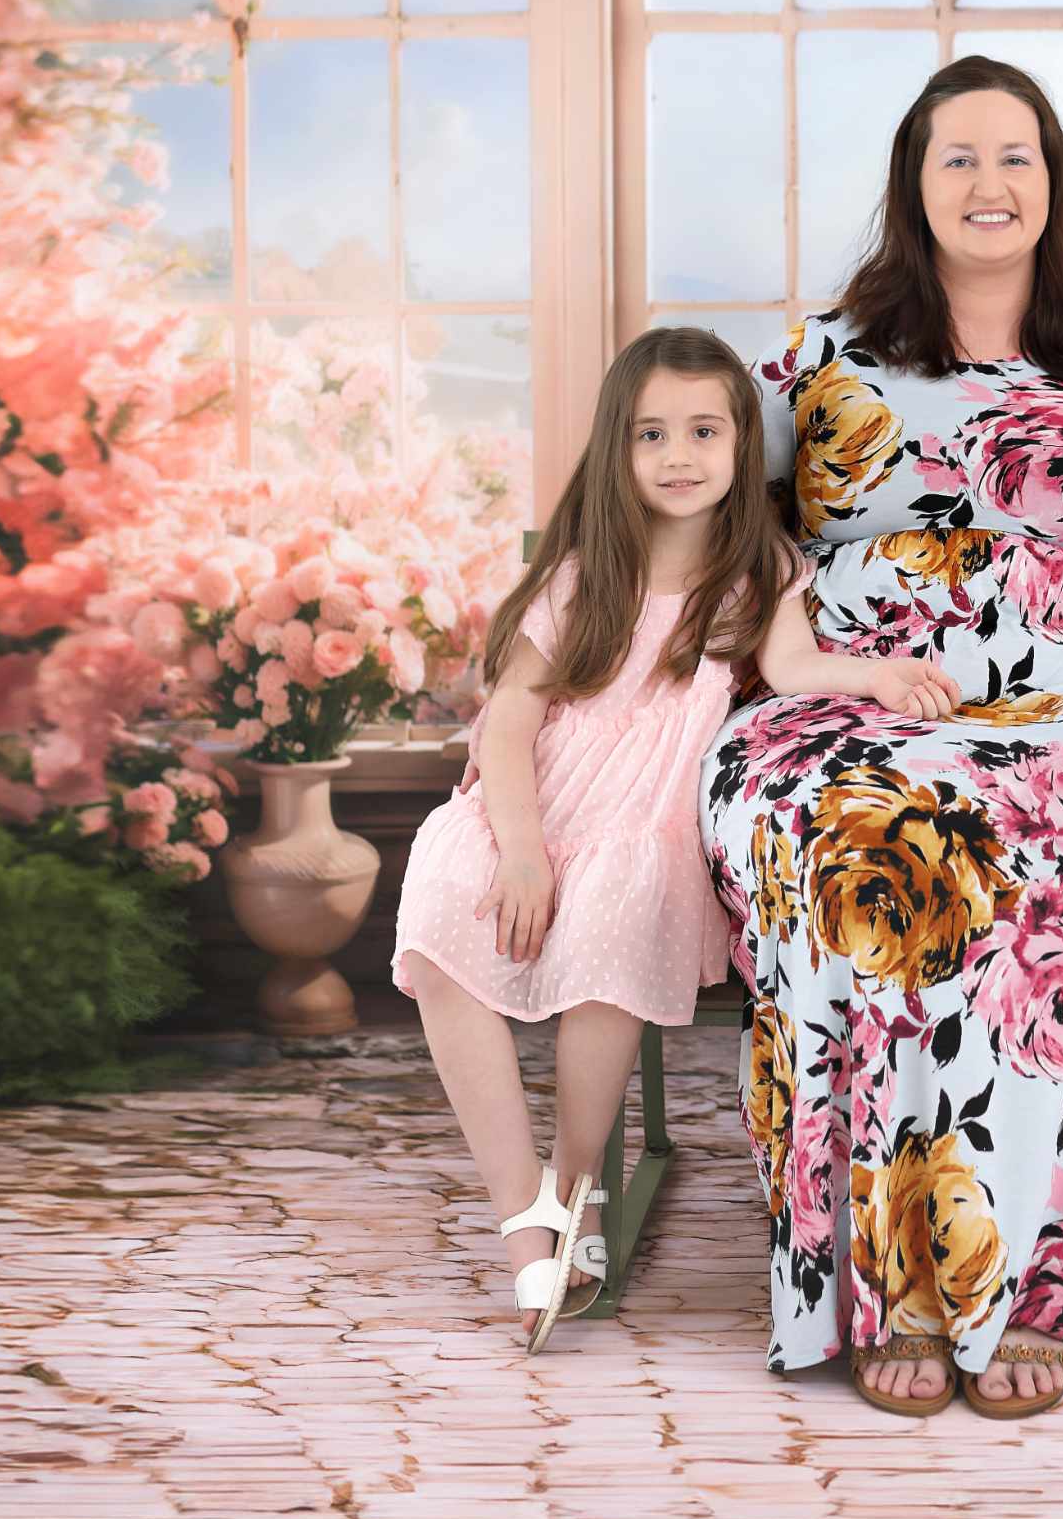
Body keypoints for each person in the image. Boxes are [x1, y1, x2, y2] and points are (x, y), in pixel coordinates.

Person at [701, 54, 1063, 1419]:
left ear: (1053, 185)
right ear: (913, 185)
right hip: (846, 697)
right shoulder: (815, 366)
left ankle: (1037, 1291)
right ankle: (891, 1288)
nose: (990, 185)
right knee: (844, 837)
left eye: (1017, 157)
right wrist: (802, 657)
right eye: (959, 158)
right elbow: (717, 528)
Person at [392, 327, 956, 1353]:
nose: (679, 454)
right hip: (534, 797)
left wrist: (877, 675)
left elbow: (792, 669)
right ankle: (525, 1211)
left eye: (703, 430)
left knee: (614, 903)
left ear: (744, 445)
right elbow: (512, 717)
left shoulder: (760, 570)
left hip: (642, 819)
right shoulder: (584, 572)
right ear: (619, 448)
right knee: (438, 890)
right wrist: (519, 845)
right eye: (652, 433)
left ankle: (580, 1182)